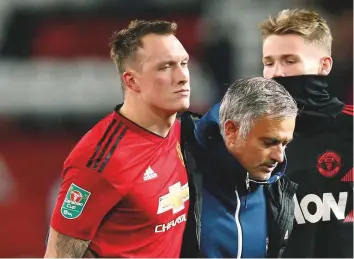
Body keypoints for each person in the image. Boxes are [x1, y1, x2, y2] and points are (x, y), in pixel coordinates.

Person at [44, 19, 203, 258]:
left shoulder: (185, 133)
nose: (182, 77)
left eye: (184, 63)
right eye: (165, 67)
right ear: (132, 81)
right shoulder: (101, 159)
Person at [259, 9, 353, 258]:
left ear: (324, 65)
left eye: (290, 61)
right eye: (269, 63)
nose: (277, 73)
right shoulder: (253, 142)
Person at [193, 77, 299, 258]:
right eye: (269, 142)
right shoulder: (183, 165)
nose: (279, 157)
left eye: (285, 144)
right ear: (231, 130)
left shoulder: (276, 189)